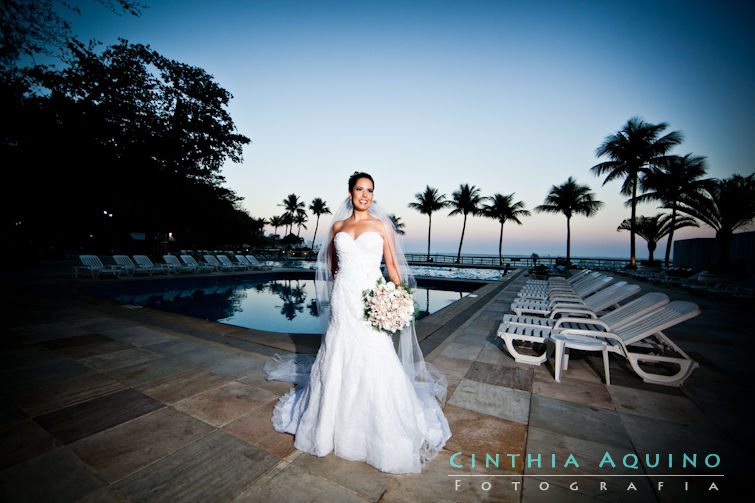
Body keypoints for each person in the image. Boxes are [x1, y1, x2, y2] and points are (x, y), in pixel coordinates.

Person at [264, 172, 451, 474]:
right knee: (338, 350)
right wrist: (340, 278)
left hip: (371, 299)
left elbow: (391, 265)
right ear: (350, 193)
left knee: (373, 352)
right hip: (342, 299)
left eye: (370, 191)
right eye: (360, 189)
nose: (365, 195)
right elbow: (331, 261)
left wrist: (398, 298)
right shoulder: (338, 226)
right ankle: (328, 426)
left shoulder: (381, 226)